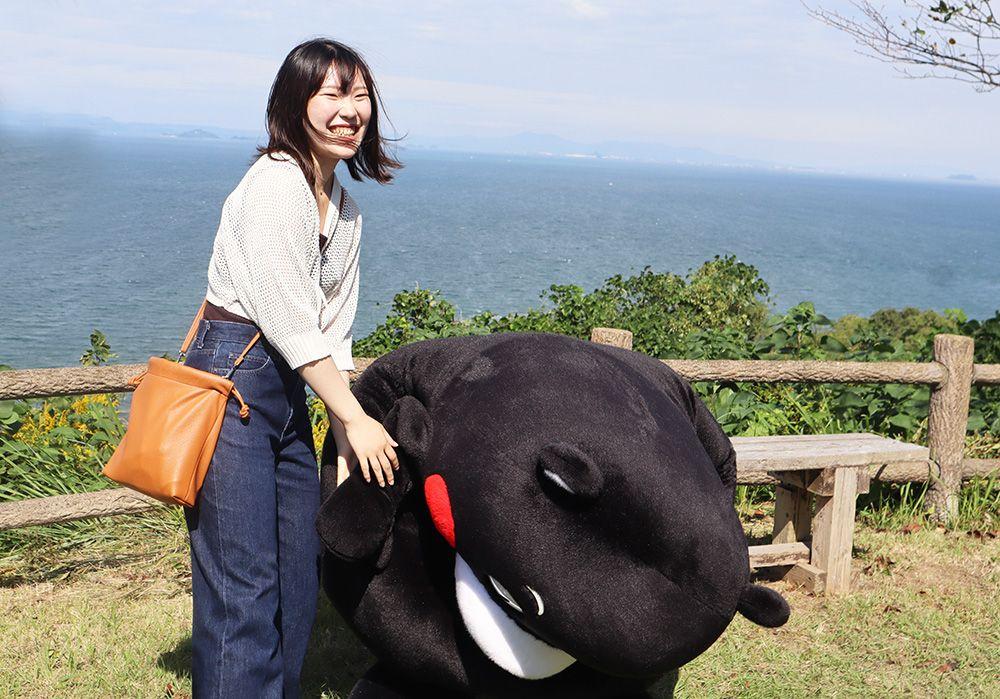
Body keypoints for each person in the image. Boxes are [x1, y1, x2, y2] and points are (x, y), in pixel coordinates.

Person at [180, 38, 402, 697]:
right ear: (294, 103)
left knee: (299, 572)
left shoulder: (347, 211)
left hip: (287, 386)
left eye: (360, 95)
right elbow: (288, 320)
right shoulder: (277, 182)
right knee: (242, 583)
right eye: (332, 93)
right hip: (234, 376)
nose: (350, 109)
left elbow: (335, 334)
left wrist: (340, 432)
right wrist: (355, 418)